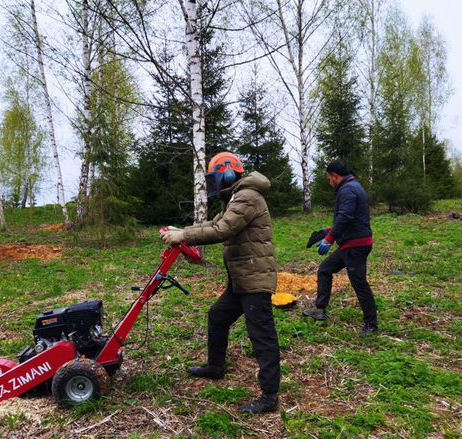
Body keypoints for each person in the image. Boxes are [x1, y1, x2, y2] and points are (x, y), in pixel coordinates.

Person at [161, 151, 281, 414]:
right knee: (217, 316)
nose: (215, 183)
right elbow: (213, 222)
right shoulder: (237, 198)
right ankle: (215, 367)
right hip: (241, 277)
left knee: (262, 334)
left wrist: (184, 236)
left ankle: (270, 395)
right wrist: (181, 232)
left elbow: (221, 230)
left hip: (253, 277)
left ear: (227, 174)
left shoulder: (247, 197)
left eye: (216, 177)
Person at [303, 161, 378, 336]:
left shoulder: (347, 190)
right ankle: (320, 310)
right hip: (351, 243)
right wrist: (327, 231)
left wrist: (329, 239)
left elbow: (345, 217)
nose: (330, 182)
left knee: (359, 284)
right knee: (325, 269)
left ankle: (371, 324)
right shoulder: (354, 186)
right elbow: (352, 219)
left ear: (335, 176)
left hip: (355, 246)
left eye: (330, 178)